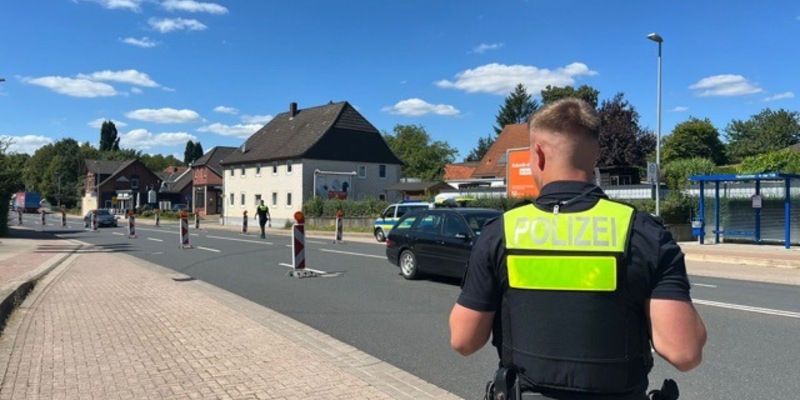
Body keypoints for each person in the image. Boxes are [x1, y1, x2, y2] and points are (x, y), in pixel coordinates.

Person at [449, 98, 707, 400]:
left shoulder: (500, 233)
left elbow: (464, 340)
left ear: (538, 154)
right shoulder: (644, 233)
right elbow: (685, 352)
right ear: (595, 155)